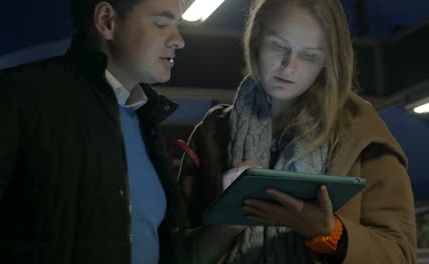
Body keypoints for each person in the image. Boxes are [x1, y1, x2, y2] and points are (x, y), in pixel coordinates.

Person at [178, 0, 416, 263]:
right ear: (256, 40)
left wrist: (329, 234)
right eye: (278, 46)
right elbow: (175, 253)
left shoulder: (360, 132)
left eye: (309, 54)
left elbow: (400, 254)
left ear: (327, 59)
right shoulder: (214, 131)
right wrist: (227, 222)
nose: (288, 65)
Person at [0, 0, 185, 263]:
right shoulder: (19, 95)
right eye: (161, 24)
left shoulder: (146, 117)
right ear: (106, 21)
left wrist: (224, 227)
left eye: (177, 26)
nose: (178, 40)